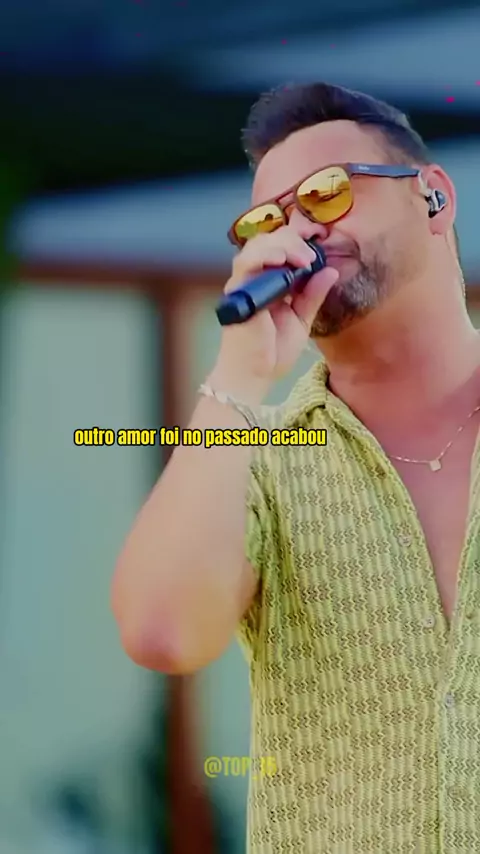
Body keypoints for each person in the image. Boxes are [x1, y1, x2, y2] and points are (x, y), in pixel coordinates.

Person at [111, 82, 480, 853]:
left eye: (327, 191)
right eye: (268, 220)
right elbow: (163, 633)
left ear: (433, 197)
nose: (301, 228)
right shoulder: (261, 462)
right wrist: (239, 379)